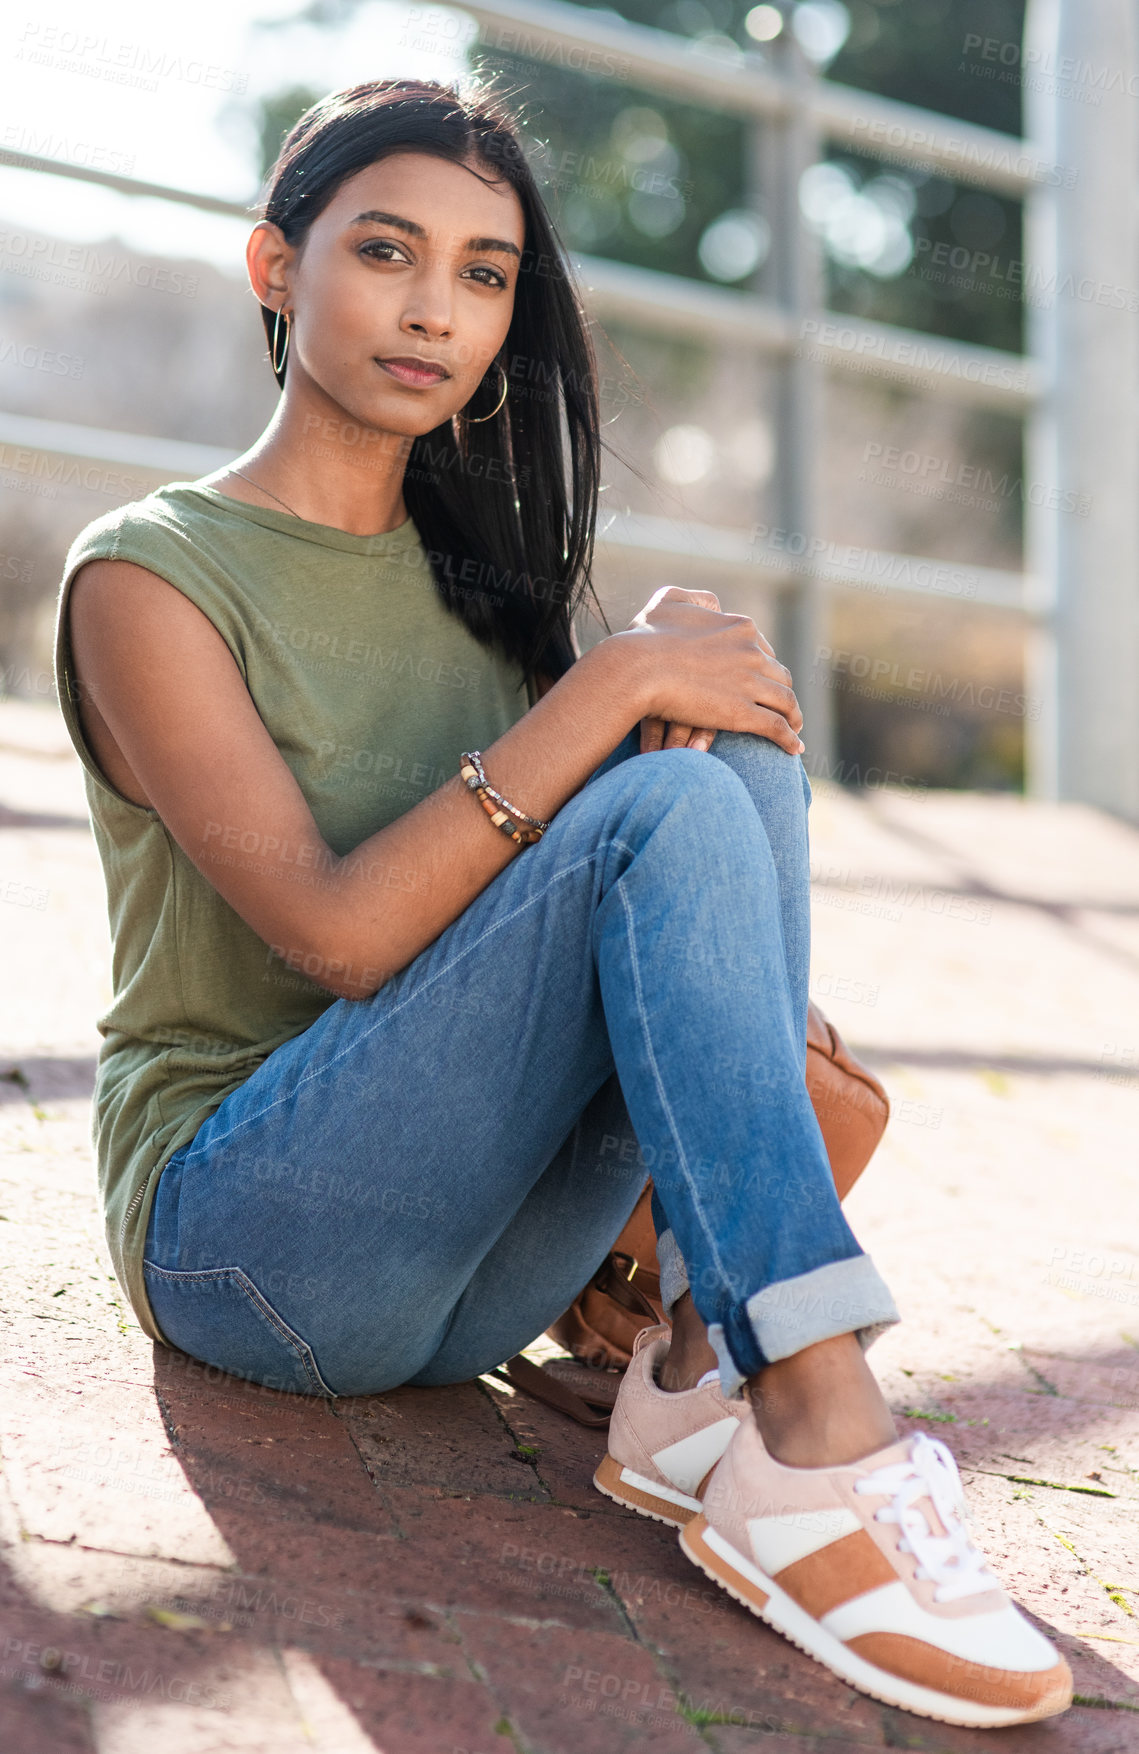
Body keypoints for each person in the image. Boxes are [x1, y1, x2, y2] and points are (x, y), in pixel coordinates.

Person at [52, 77, 1070, 1729]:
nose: (434, 309)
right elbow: (335, 935)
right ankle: (817, 1414)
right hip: (247, 1245)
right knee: (659, 756)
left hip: (480, 1276)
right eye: (385, 252)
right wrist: (605, 697)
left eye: (484, 273)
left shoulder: (490, 595)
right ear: (272, 266)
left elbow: (608, 830)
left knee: (719, 750)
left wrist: (638, 678)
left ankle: (689, 1363)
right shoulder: (151, 576)